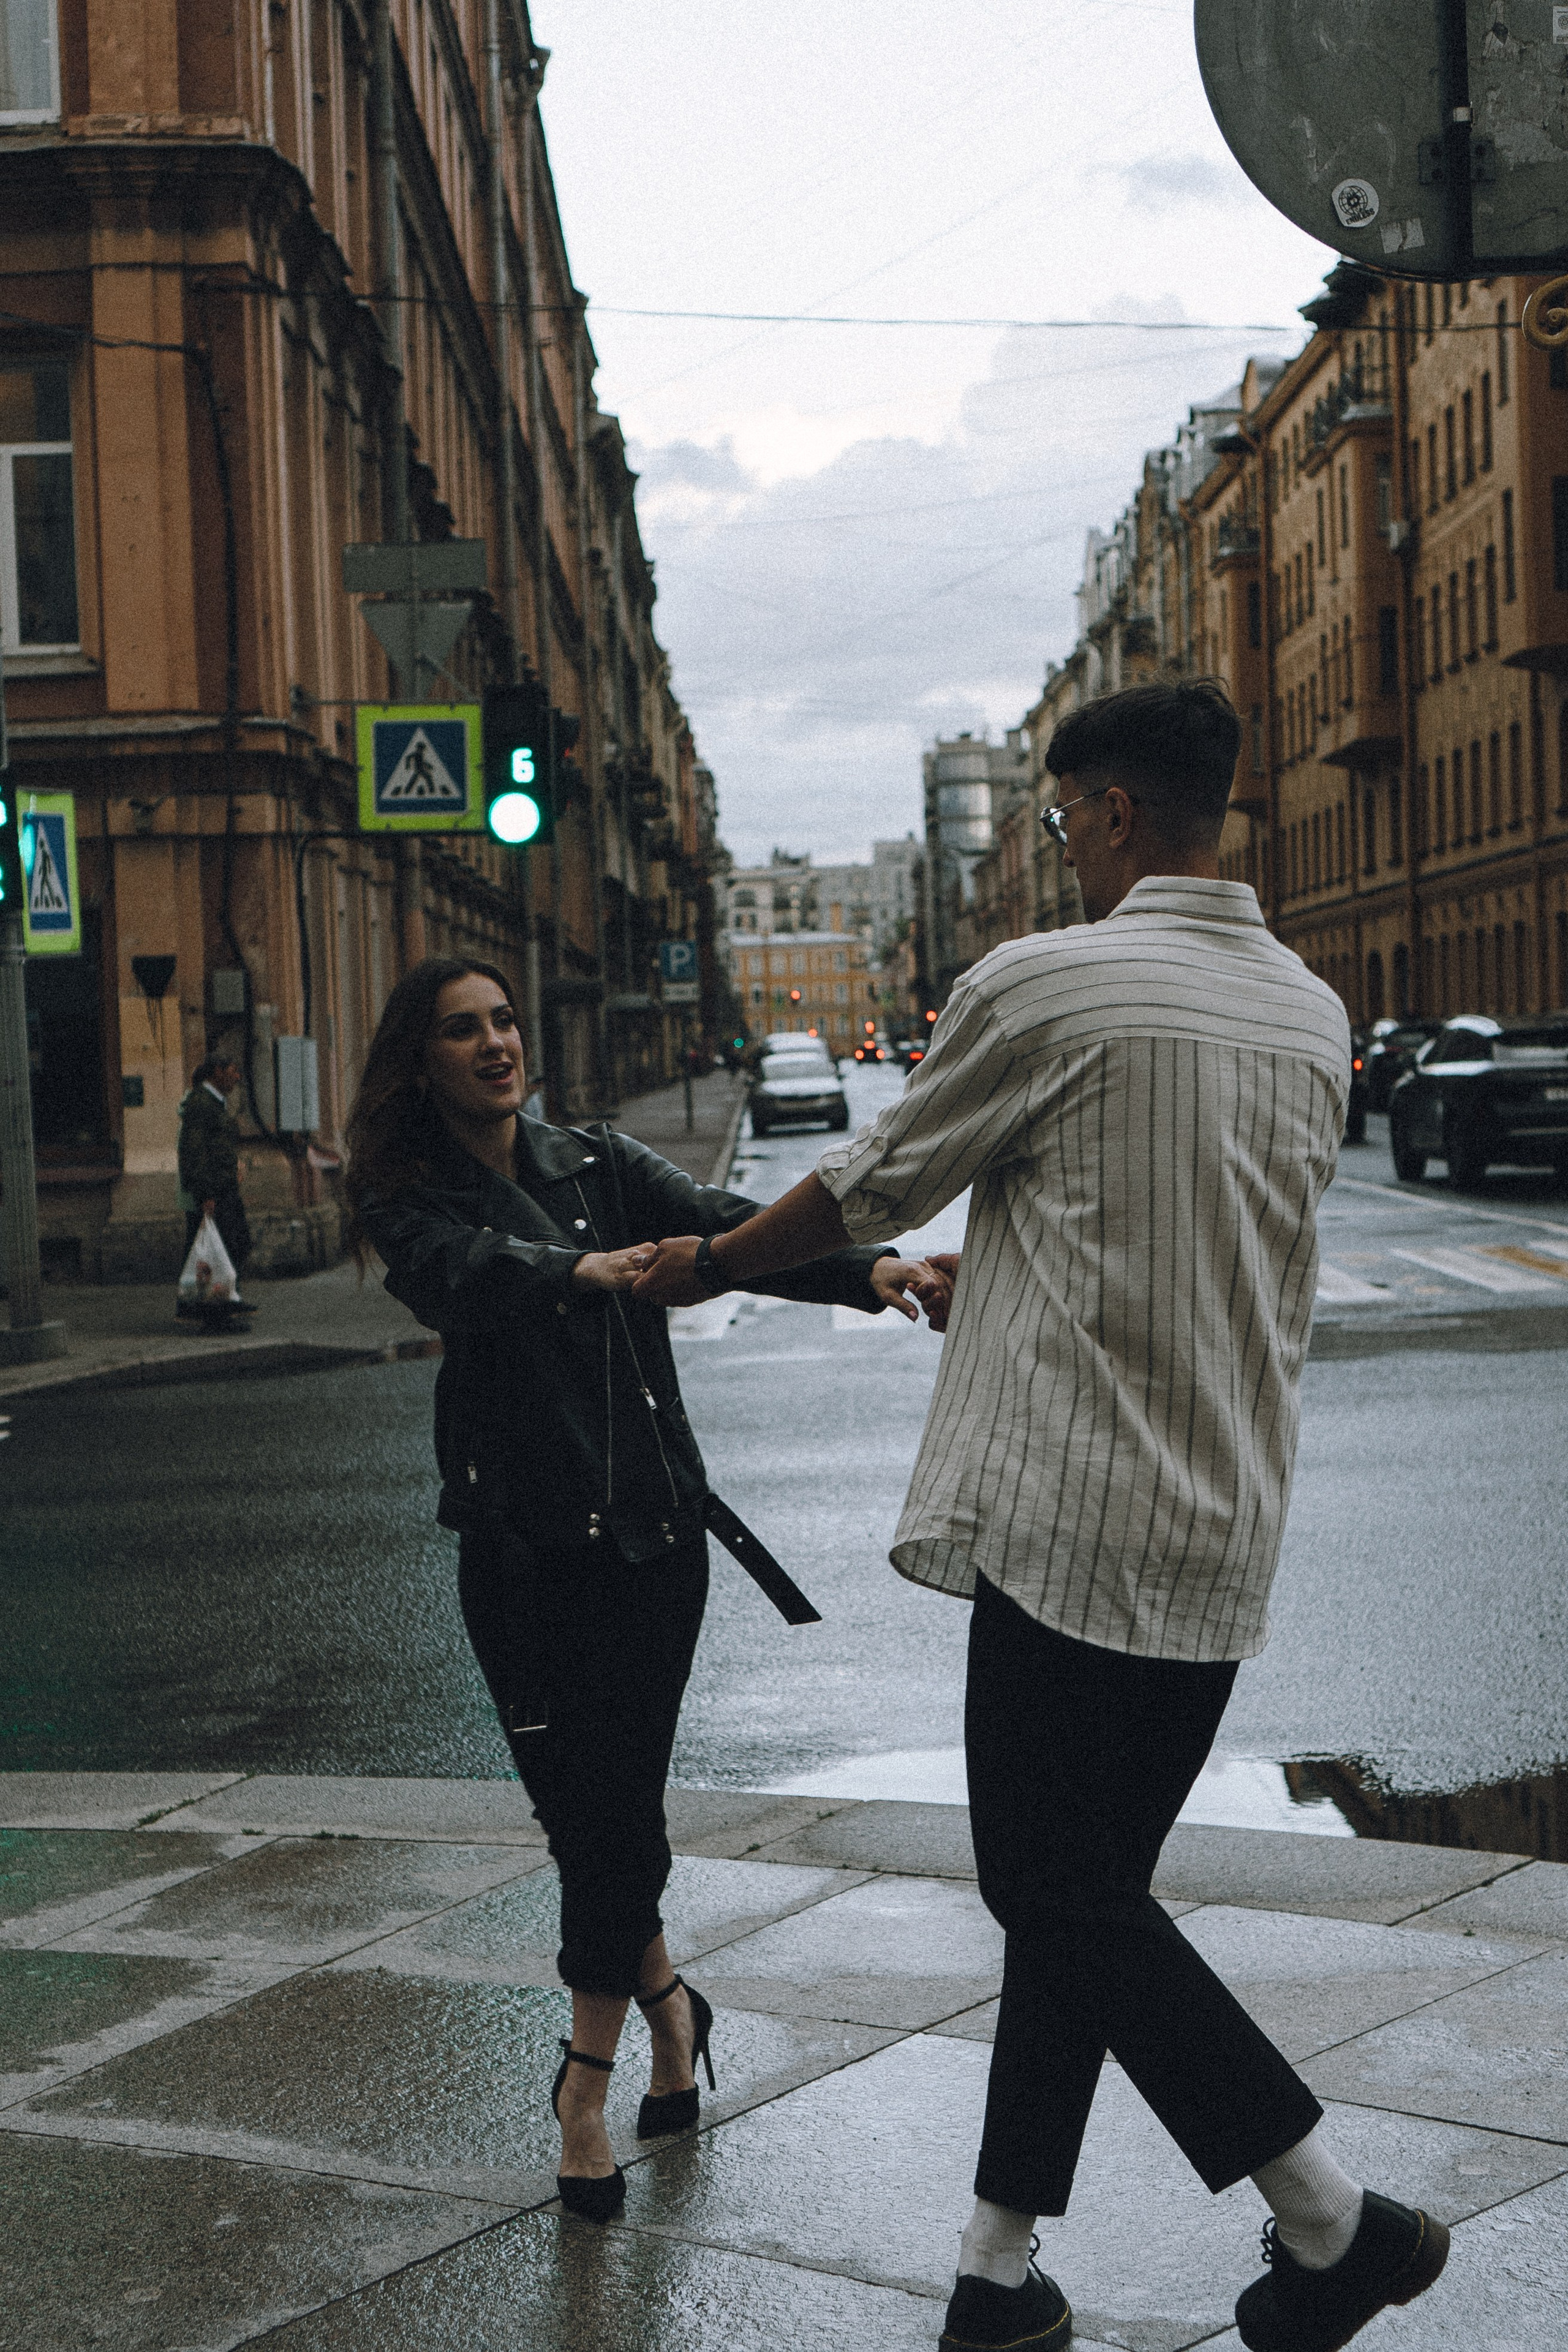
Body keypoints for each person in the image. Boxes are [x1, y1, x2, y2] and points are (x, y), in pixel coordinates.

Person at [633, 681, 1450, 2352]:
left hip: (1073, 1526)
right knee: (1084, 1902)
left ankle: (1334, 2220)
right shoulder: (1309, 1008)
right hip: (1225, 1520)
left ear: (1118, 815)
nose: (1064, 849)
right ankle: (997, 2281)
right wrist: (997, 1261)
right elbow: (1156, 1224)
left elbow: (870, 1186)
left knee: (1058, 1895)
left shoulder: (1048, 984)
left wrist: (699, 1261)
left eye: (1067, 820)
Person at [344, 956, 927, 2223]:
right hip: (514, 1558)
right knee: (583, 1822)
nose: (497, 1043)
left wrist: (864, 1271)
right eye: (463, 1029)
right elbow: (456, 1275)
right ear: (422, 1060)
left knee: (618, 1816)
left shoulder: (601, 1167)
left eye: (505, 1019)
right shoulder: (406, 1195)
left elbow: (726, 1231)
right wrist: (575, 1274)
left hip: (653, 1550)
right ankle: (673, 2009)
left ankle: (584, 2090)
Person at [176, 1055, 254, 1323]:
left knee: (232, 1245)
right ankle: (215, 1312)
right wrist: (205, 1194)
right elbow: (195, 1152)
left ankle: (224, 1302)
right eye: (233, 1071)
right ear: (217, 1072)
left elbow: (217, 1147)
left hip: (223, 1188)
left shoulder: (213, 1103)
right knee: (222, 1249)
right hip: (214, 1193)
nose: (237, 1077)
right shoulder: (201, 1104)